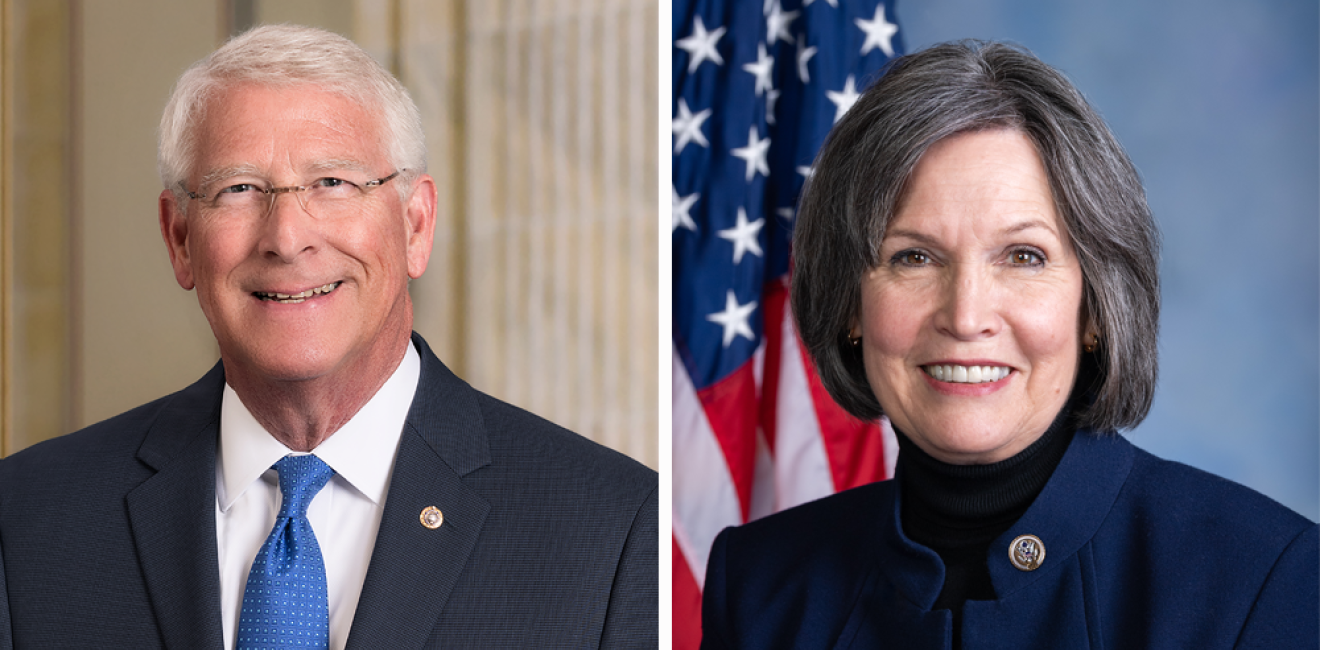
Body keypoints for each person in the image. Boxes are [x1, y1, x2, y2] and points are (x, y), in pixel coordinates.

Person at [0, 24, 656, 649]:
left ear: (416, 225)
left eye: (333, 183)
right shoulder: (26, 520)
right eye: (239, 188)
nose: (287, 237)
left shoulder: (611, 532)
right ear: (180, 241)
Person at [700, 41, 1317, 649]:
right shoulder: (758, 588)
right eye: (913, 257)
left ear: (1095, 310)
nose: (966, 316)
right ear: (848, 306)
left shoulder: (1264, 579)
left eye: (1024, 257)